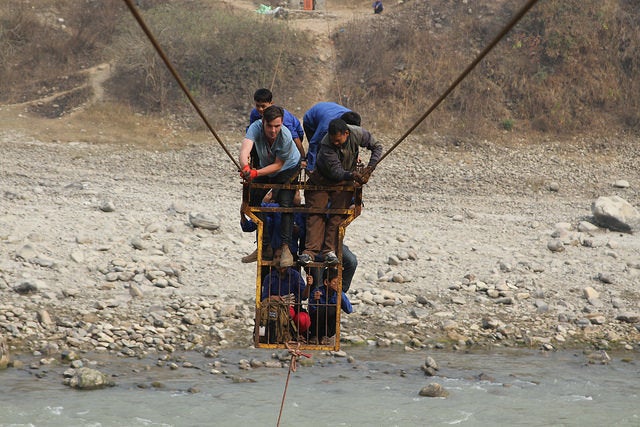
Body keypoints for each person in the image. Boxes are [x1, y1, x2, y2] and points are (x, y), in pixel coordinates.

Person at [299, 119, 382, 266]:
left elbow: (377, 147)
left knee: (338, 214)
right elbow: (336, 172)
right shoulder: (326, 145)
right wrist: (353, 175)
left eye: (338, 140)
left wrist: (369, 168)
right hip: (322, 179)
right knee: (316, 213)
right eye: (333, 141)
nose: (335, 143)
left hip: (344, 181)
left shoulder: (359, 133)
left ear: (346, 133)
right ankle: (310, 252)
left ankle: (329, 251)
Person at [240, 105, 301, 267]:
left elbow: (278, 165)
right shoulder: (255, 128)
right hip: (265, 167)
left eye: (277, 126)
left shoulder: (286, 137)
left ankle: (285, 248)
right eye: (269, 126)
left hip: (287, 168)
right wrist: (245, 166)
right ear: (263, 122)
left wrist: (255, 173)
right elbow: (246, 148)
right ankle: (263, 245)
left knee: (285, 204)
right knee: (253, 202)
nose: (273, 131)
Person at [249, 88, 306, 169]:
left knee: (284, 152)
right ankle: (256, 168)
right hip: (268, 135)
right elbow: (252, 134)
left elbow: (295, 137)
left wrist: (302, 158)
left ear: (271, 103)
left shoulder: (281, 118)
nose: (260, 109)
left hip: (293, 137)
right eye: (258, 106)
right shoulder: (255, 113)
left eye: (263, 106)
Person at [302, 102, 361, 171]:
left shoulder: (352, 118)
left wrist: (355, 156)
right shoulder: (326, 126)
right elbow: (314, 142)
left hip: (328, 110)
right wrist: (311, 167)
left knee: (338, 143)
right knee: (319, 149)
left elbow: (353, 139)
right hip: (311, 120)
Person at [261, 261, 312, 336]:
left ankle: (297, 335)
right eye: (276, 258)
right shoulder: (269, 277)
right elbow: (264, 298)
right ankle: (279, 335)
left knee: (303, 319)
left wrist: (308, 285)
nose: (279, 261)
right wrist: (272, 297)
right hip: (275, 309)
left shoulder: (295, 275)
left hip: (294, 308)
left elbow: (304, 297)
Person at [308, 267, 353, 345]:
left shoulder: (338, 293)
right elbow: (311, 311)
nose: (338, 285)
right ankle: (315, 335)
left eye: (339, 282)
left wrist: (341, 295)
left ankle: (326, 336)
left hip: (329, 329)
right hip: (316, 326)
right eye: (335, 282)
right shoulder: (317, 291)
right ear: (326, 282)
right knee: (322, 309)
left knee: (332, 309)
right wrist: (315, 301)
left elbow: (349, 310)